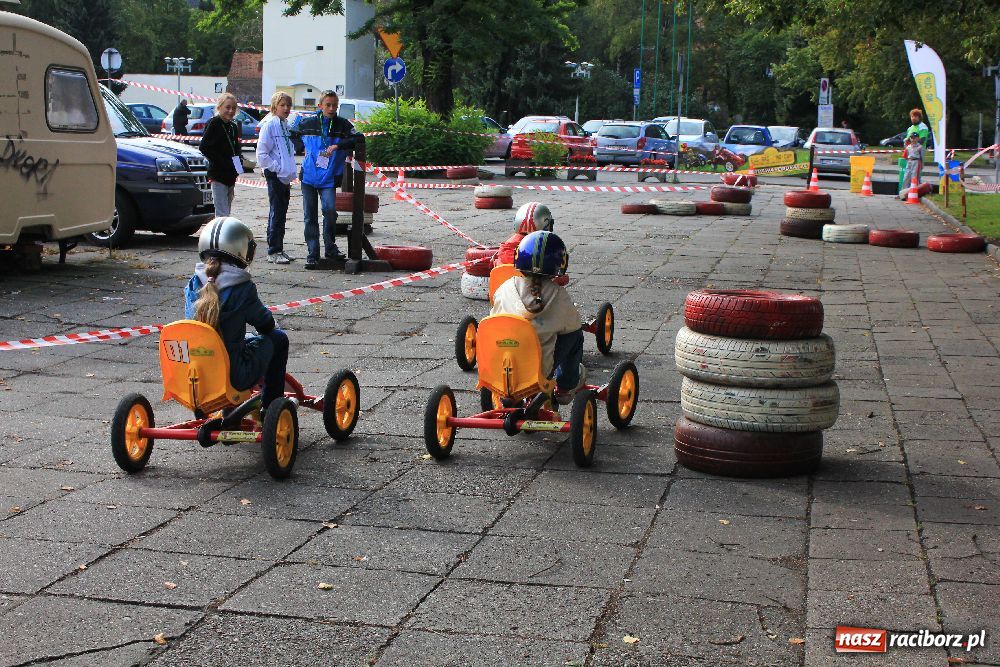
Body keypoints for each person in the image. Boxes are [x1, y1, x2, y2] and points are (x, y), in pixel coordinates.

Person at [185, 217, 288, 412]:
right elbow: (265, 324)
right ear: (241, 250)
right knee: (279, 339)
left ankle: (231, 409)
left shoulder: (194, 284)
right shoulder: (242, 288)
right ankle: (272, 405)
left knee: (238, 340)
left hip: (198, 374)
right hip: (234, 375)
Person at [490, 231, 586, 405]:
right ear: (560, 264)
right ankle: (565, 387)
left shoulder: (504, 288)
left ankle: (509, 395)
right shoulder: (557, 295)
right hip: (537, 371)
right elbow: (574, 325)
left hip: (499, 368)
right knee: (575, 335)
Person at [295, 90, 362, 268]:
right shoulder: (307, 122)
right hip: (309, 177)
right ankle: (312, 253)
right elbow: (293, 136)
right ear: (320, 106)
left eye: (335, 105)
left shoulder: (343, 124)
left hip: (329, 178)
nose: (332, 108)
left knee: (330, 211)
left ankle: (330, 247)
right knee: (310, 216)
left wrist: (338, 145)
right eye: (328, 105)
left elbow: (359, 138)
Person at [256, 92, 298, 264]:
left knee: (281, 213)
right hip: (276, 176)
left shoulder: (285, 125)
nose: (286, 108)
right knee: (276, 213)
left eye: (288, 105)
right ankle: (273, 250)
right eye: (283, 105)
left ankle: (278, 248)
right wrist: (276, 168)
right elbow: (262, 153)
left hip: (285, 177)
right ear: (275, 107)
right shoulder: (270, 125)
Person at [199, 93, 242, 217]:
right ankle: (221, 236)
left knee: (227, 211)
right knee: (222, 212)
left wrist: (238, 165)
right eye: (227, 107)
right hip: (218, 174)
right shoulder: (214, 123)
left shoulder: (233, 126)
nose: (230, 111)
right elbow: (204, 147)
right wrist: (221, 162)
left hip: (231, 174)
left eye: (233, 108)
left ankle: (225, 234)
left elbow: (235, 148)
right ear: (220, 107)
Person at [900, 131, 925, 198]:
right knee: (906, 177)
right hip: (909, 161)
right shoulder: (908, 146)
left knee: (914, 177)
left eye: (914, 138)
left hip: (916, 161)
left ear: (917, 138)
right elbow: (906, 154)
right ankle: (903, 194)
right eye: (911, 138)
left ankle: (914, 193)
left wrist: (922, 165)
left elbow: (922, 156)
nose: (913, 139)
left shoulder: (920, 147)